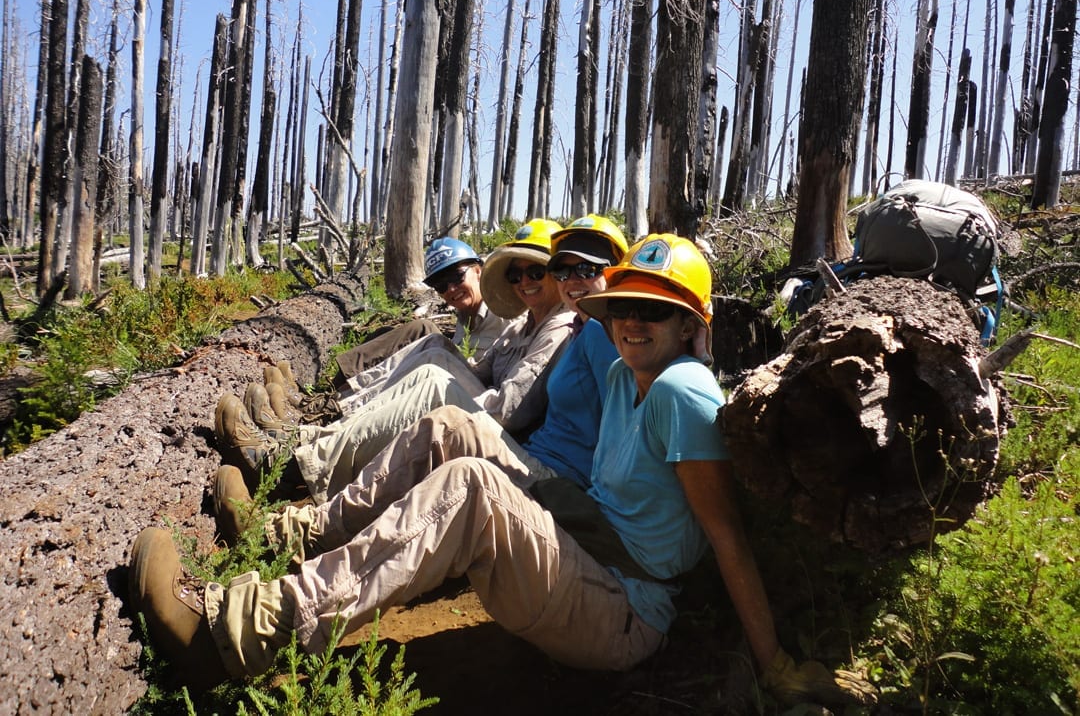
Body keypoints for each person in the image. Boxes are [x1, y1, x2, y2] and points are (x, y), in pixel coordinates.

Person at [129, 233, 858, 707]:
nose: (633, 322)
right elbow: (557, 374)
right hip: (593, 536)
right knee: (453, 429)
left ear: (692, 324)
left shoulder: (680, 391)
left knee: (471, 489)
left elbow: (725, 536)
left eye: (654, 313)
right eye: (625, 306)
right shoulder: (622, 372)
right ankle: (293, 535)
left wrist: (774, 663)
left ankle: (232, 636)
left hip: (629, 608)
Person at [212, 214, 628, 551]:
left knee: (436, 390)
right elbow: (487, 375)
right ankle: (308, 441)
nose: (525, 281)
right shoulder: (545, 324)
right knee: (434, 358)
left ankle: (293, 470)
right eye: (520, 274)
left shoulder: (574, 329)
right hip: (530, 447)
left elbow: (514, 409)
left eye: (538, 270)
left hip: (536, 457)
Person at [329, 237, 513, 391]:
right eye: (441, 286)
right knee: (384, 333)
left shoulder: (506, 311)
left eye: (457, 277)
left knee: (423, 330)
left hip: (477, 394)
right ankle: (338, 387)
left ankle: (338, 392)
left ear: (479, 271)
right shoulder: (465, 316)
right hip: (454, 380)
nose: (451, 289)